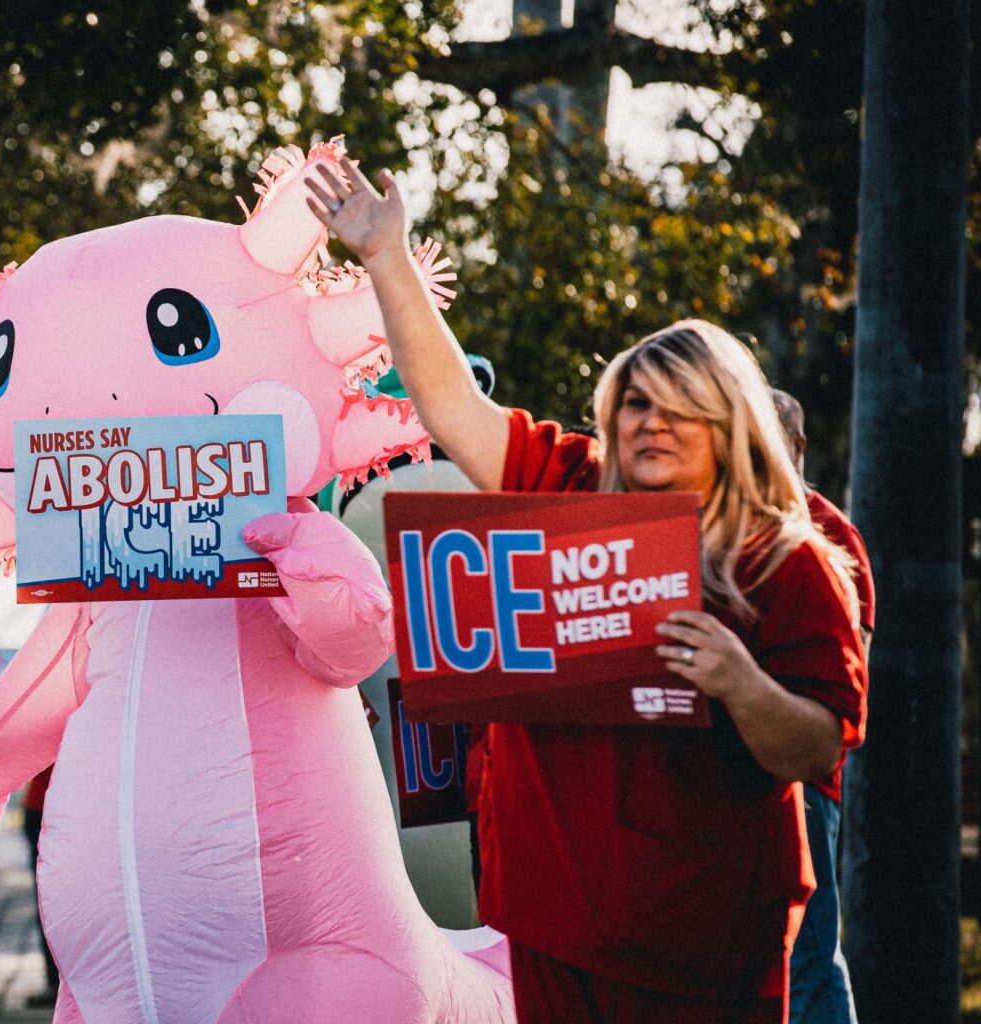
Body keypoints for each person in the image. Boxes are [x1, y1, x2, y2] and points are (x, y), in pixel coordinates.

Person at [303, 158, 867, 1023]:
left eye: (679, 405)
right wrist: (388, 260)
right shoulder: (571, 492)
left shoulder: (787, 558)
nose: (651, 422)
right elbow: (453, 406)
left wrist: (739, 682)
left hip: (704, 934)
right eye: (634, 403)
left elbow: (816, 749)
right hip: (552, 920)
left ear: (732, 420)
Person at [770, 388, 873, 1024]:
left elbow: (848, 681)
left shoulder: (829, 532)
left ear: (799, 447)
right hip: (748, 774)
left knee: (809, 958)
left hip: (806, 782)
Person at [20, 766, 60, 1008]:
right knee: (50, 901)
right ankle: (56, 981)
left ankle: (58, 982)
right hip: (47, 806)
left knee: (51, 900)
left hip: (47, 804)